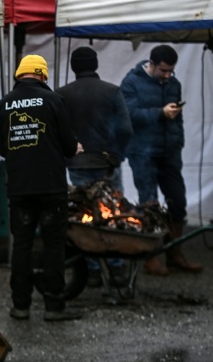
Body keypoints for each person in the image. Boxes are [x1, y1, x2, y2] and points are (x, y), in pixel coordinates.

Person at [0, 54, 82, 322]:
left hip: (20, 186)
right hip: (50, 186)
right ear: (42, 76)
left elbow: (1, 148)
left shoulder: (3, 104)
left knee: (21, 245)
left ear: (18, 75)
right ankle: (54, 307)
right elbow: (68, 147)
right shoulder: (54, 100)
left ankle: (20, 306)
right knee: (54, 245)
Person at [120, 45, 202, 275]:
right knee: (150, 204)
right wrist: (160, 113)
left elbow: (177, 117)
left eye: (171, 71)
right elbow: (128, 115)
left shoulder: (173, 83)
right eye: (164, 70)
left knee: (178, 201)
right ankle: (151, 257)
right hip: (142, 152)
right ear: (152, 64)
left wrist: (178, 140)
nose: (167, 75)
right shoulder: (132, 82)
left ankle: (175, 253)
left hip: (169, 152)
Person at [56, 46, 133, 288]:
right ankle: (117, 268)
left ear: (73, 67)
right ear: (96, 65)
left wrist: (68, 155)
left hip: (77, 164)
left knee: (84, 216)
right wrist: (116, 155)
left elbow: (58, 132)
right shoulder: (111, 91)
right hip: (106, 164)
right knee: (112, 214)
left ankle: (90, 270)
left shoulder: (62, 95)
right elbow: (125, 129)